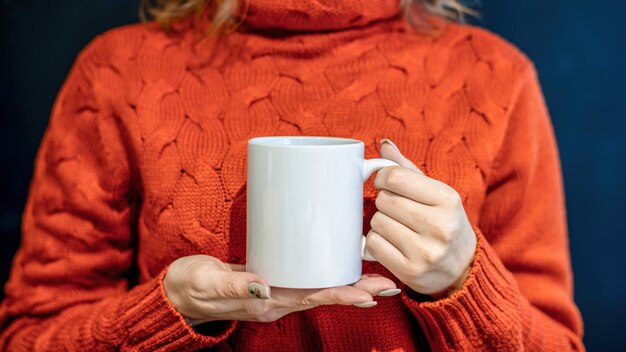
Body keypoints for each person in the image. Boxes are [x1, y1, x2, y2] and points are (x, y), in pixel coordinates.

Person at [0, 0, 584, 350]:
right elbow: (31, 335)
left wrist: (464, 282)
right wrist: (170, 308)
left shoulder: (495, 79)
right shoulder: (118, 72)